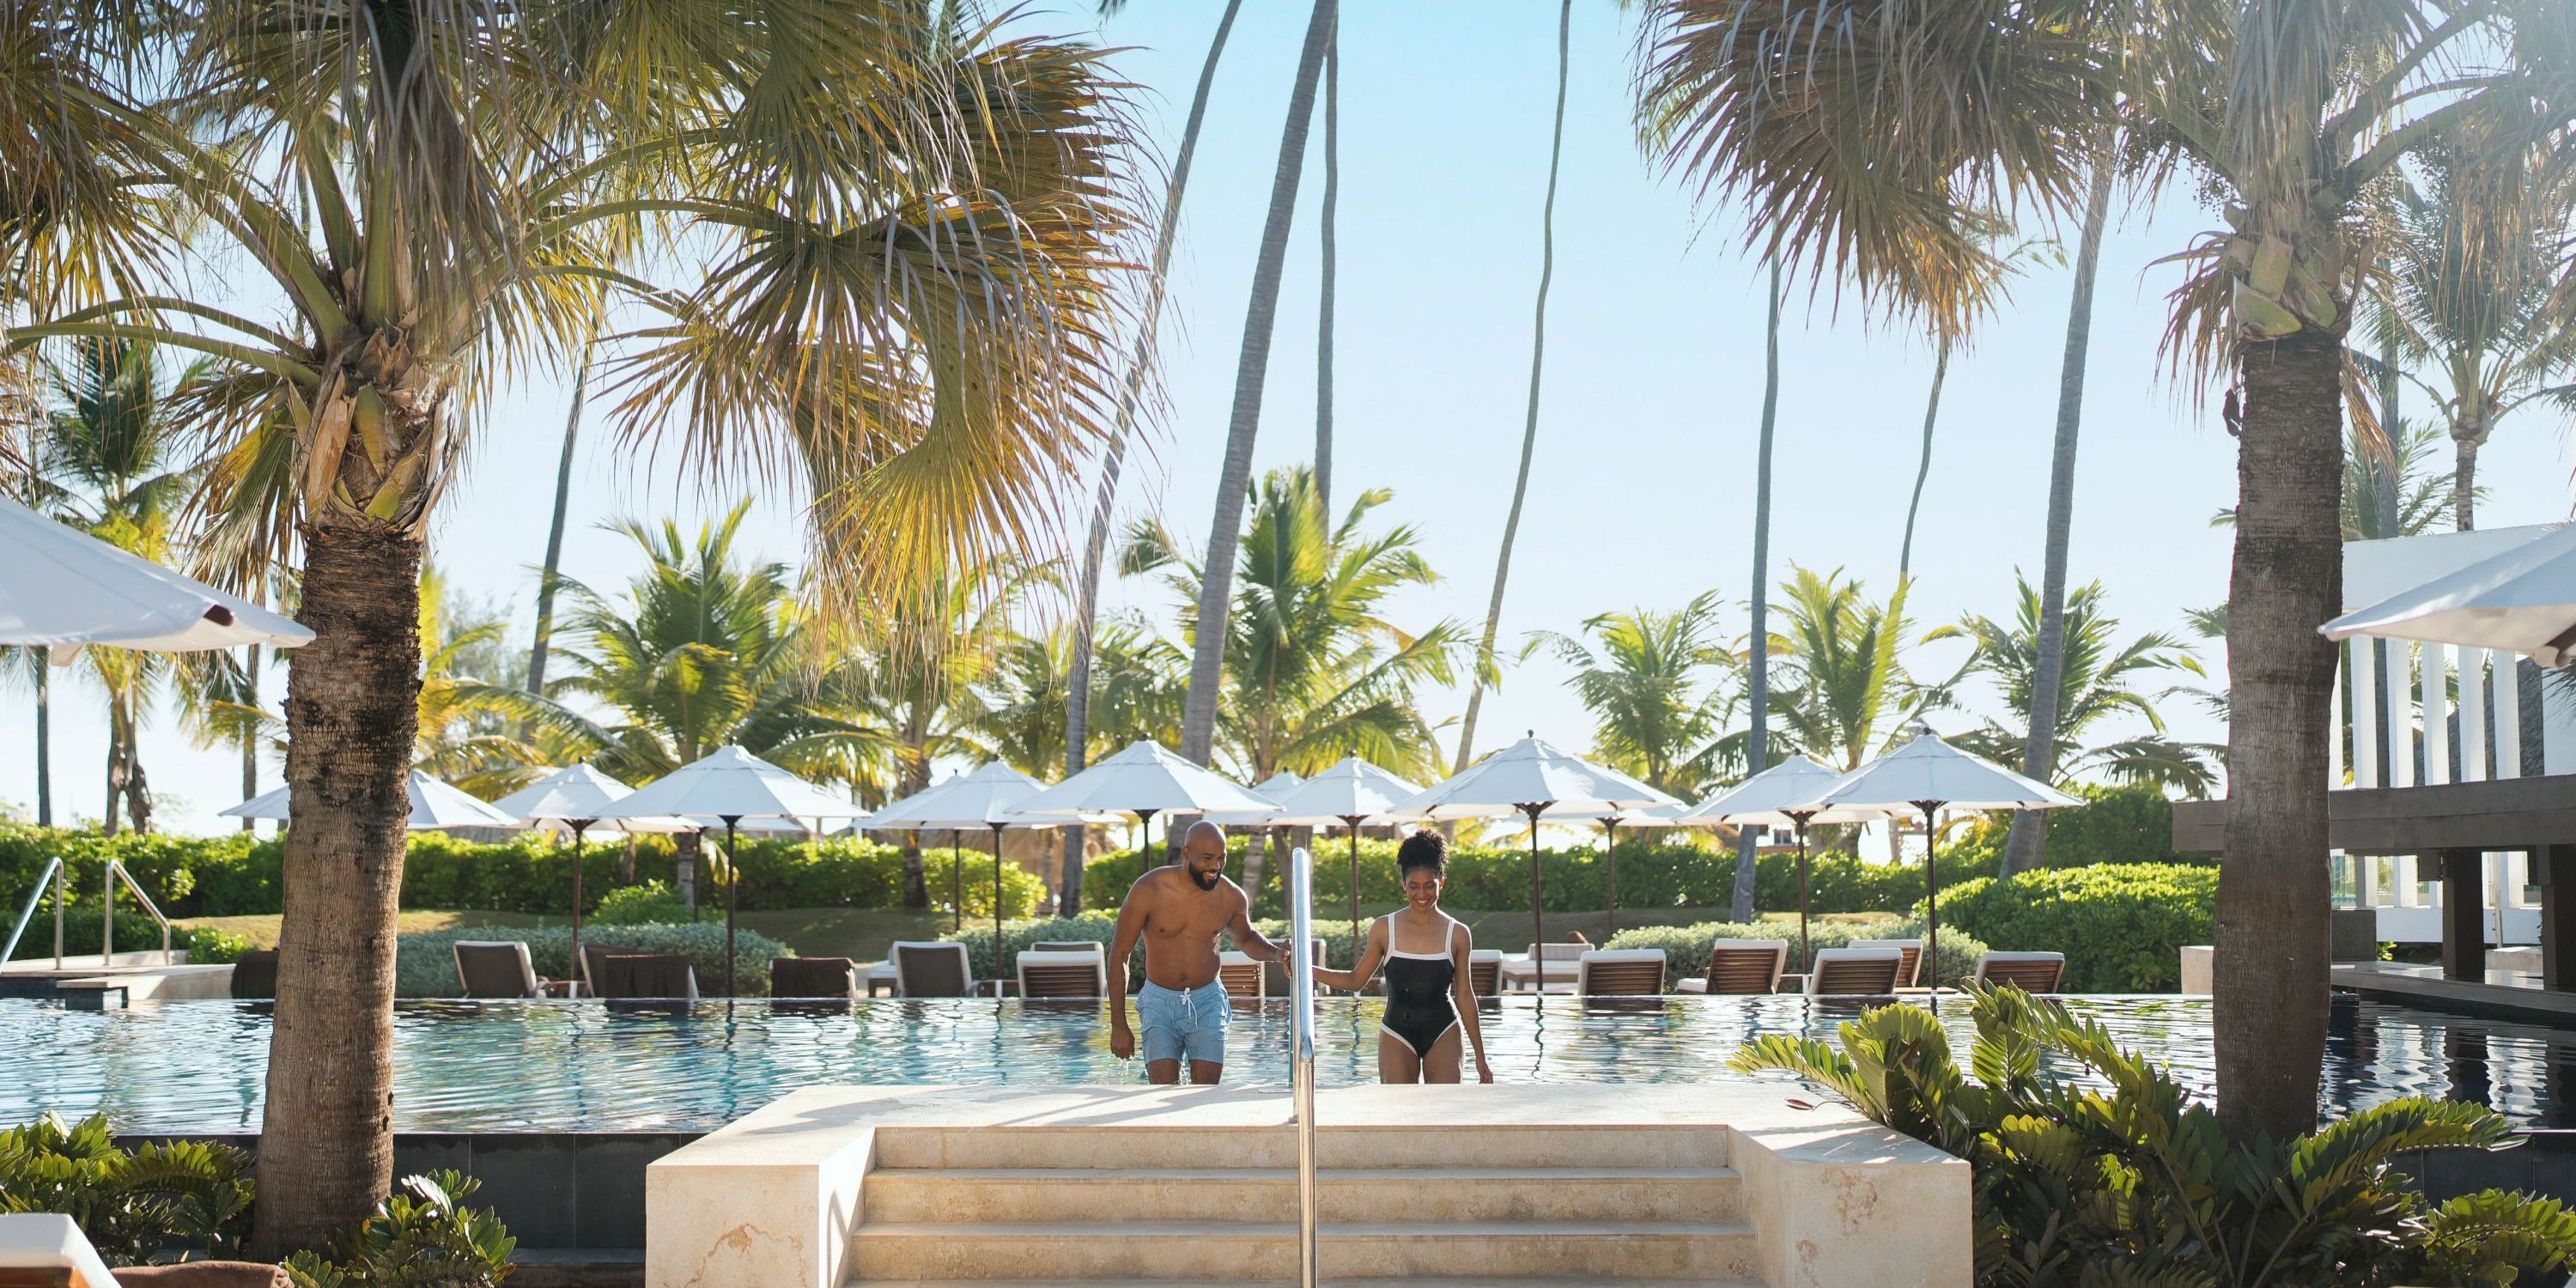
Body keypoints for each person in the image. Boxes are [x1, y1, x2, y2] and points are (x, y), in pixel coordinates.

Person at [1107, 820, 1289, 1084]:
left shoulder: (1230, 896)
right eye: (1207, 858)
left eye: (1221, 858)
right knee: (1161, 1092)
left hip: (1207, 1002)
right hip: (1159, 1002)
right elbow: (1119, 955)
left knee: (1204, 1093)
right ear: (1186, 853)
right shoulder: (1149, 890)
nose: (1215, 866)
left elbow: (1246, 937)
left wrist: (1276, 954)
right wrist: (1118, 1024)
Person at [1314, 830, 1494, 1084]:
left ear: (1441, 882)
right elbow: (1356, 980)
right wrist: (1305, 969)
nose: (1422, 894)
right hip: (1397, 1032)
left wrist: (1481, 1056)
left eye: (1430, 885)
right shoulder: (1384, 929)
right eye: (1414, 886)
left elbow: (1464, 996)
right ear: (1403, 884)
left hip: (1444, 1030)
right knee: (1398, 1113)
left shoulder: (1458, 934)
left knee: (1444, 1111)